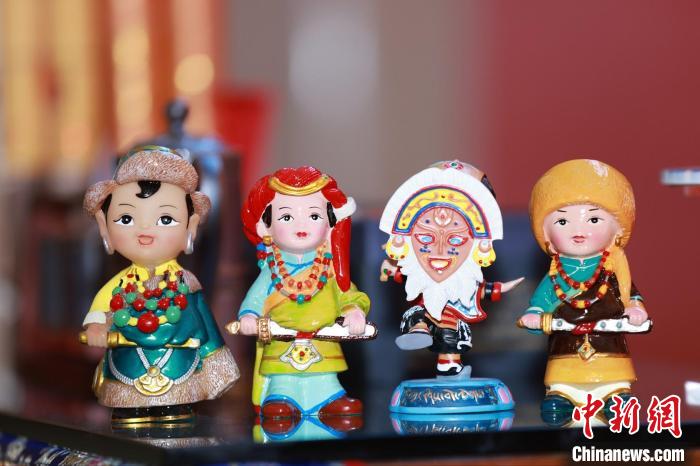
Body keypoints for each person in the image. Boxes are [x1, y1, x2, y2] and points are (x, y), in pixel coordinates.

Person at [82, 145, 239, 425]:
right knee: (128, 418)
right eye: (127, 219)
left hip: (178, 366)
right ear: (105, 227)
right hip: (127, 365)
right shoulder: (119, 285)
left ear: (191, 226)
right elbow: (99, 311)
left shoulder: (186, 284)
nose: (145, 230)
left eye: (165, 219)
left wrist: (217, 364)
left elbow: (207, 329)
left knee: (176, 418)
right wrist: (96, 327)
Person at [235, 166, 370, 421]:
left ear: (330, 224)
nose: (301, 225)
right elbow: (254, 299)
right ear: (265, 227)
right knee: (283, 380)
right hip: (282, 346)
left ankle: (329, 398)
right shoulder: (272, 272)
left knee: (325, 379)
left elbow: (349, 294)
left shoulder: (329, 270)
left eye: (314, 216)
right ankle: (281, 397)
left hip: (323, 344)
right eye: (287, 217)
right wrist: (249, 316)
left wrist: (354, 310)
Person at [518, 159, 650, 417]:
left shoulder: (613, 272)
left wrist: (635, 308)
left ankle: (614, 396)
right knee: (560, 396)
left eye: (593, 219)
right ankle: (563, 396)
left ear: (616, 232)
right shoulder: (555, 277)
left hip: (609, 349)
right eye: (563, 222)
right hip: (565, 350)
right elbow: (539, 304)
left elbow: (631, 295)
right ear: (547, 238)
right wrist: (535, 315)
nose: (578, 230)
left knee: (616, 394)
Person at [380, 160, 522, 377]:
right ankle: (419, 329)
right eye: (426, 237)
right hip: (424, 308)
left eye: (455, 240)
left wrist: (497, 289)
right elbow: (405, 277)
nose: (439, 250)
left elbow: (479, 289)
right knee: (419, 314)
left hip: (454, 317)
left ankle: (449, 365)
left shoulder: (466, 278)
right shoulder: (417, 271)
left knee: (451, 335)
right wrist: (392, 268)